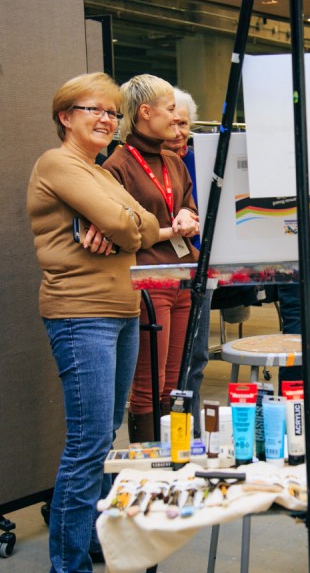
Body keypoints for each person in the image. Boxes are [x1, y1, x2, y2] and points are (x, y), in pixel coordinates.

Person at [27, 73, 160, 571]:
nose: (107, 118)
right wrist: (121, 225)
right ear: (66, 117)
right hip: (81, 314)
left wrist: (121, 225)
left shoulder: (100, 171)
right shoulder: (57, 163)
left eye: (112, 111)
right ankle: (69, 562)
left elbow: (144, 221)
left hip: (120, 311)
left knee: (105, 436)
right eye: (94, 110)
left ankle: (91, 540)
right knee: (87, 443)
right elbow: (132, 225)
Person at [103, 74, 201, 442]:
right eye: (170, 110)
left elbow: (188, 205)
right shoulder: (118, 165)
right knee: (149, 383)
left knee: (175, 382)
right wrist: (168, 229)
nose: (177, 120)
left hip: (183, 278)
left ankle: (174, 462)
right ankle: (148, 467)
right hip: (148, 282)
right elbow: (120, 228)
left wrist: (187, 217)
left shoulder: (173, 162)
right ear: (145, 112)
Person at [162, 87, 211, 435]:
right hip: (161, 274)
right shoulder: (134, 163)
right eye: (172, 122)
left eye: (184, 123)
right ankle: (169, 437)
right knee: (162, 368)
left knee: (196, 358)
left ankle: (190, 435)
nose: (178, 131)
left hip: (199, 266)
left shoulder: (201, 159)